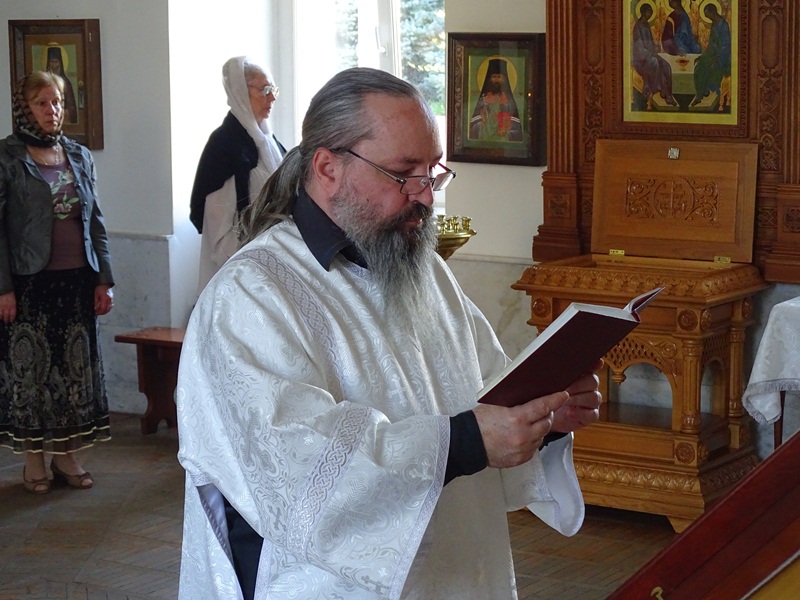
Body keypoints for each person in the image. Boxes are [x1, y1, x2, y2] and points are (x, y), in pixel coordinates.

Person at [176, 67, 601, 600]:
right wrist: (467, 442)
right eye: (404, 174)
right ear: (328, 168)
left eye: (433, 171)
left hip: (458, 572)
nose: (426, 196)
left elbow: (489, 389)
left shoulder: (425, 273)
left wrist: (544, 416)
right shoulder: (252, 294)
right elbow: (295, 464)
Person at [0, 71, 114, 494]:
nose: (53, 110)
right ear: (24, 108)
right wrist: (3, 288)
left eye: (59, 102)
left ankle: (66, 455)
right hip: (28, 282)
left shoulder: (78, 155)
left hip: (77, 279)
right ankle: (33, 462)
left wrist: (104, 279)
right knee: (31, 372)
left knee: (73, 371)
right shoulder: (7, 157)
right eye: (42, 103)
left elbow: (95, 220)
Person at [189, 56, 286, 293]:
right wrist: (252, 267)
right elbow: (220, 229)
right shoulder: (225, 146)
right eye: (264, 90)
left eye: (273, 89)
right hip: (242, 270)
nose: (272, 98)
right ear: (241, 92)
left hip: (274, 259)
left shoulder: (269, 143)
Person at [632, 2, 677, 109]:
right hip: (641, 59)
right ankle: (657, 91)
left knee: (666, 65)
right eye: (648, 12)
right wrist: (651, 53)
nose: (650, 14)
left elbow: (650, 43)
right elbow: (639, 48)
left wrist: (655, 47)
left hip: (650, 55)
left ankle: (667, 93)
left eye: (651, 12)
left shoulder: (646, 25)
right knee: (655, 63)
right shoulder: (638, 27)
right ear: (643, 12)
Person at [468, 58, 523, 142]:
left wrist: (506, 132)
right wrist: (484, 123)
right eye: (494, 77)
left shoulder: (510, 102)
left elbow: (517, 129)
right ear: (489, 79)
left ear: (505, 79)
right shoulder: (482, 101)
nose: (497, 80)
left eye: (499, 77)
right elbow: (473, 128)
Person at [691, 4, 732, 108]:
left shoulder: (723, 25)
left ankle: (709, 94)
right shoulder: (714, 24)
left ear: (712, 12)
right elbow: (711, 45)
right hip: (713, 55)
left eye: (707, 14)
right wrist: (703, 56)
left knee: (711, 68)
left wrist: (717, 59)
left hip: (723, 58)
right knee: (699, 67)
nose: (707, 17)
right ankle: (700, 94)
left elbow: (726, 46)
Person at [45, 46, 78, 124]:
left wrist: (64, 112)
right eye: (52, 62)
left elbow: (71, 107)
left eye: (56, 62)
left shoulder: (65, 82)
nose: (53, 64)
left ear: (60, 63)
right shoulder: (44, 82)